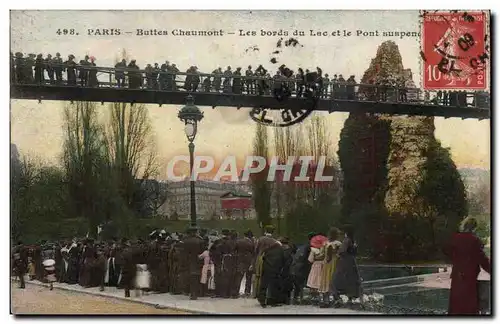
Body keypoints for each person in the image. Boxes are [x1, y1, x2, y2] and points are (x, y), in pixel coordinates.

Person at [446, 217, 491, 315]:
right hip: (469, 276)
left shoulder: (455, 238)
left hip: (457, 275)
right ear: (474, 227)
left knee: (456, 305)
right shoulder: (474, 240)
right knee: (468, 306)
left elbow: (450, 255)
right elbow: (482, 259)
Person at [331, 225, 362, 305]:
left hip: (345, 261)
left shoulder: (346, 240)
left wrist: (338, 253)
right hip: (352, 261)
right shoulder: (353, 241)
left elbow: (342, 251)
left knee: (339, 278)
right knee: (352, 279)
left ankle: (337, 296)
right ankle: (350, 297)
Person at [319, 227, 342, 307]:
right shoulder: (338, 243)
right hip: (335, 263)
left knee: (325, 280)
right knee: (334, 279)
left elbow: (321, 254)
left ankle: (326, 300)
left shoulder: (325, 243)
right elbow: (340, 254)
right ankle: (337, 299)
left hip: (326, 264)